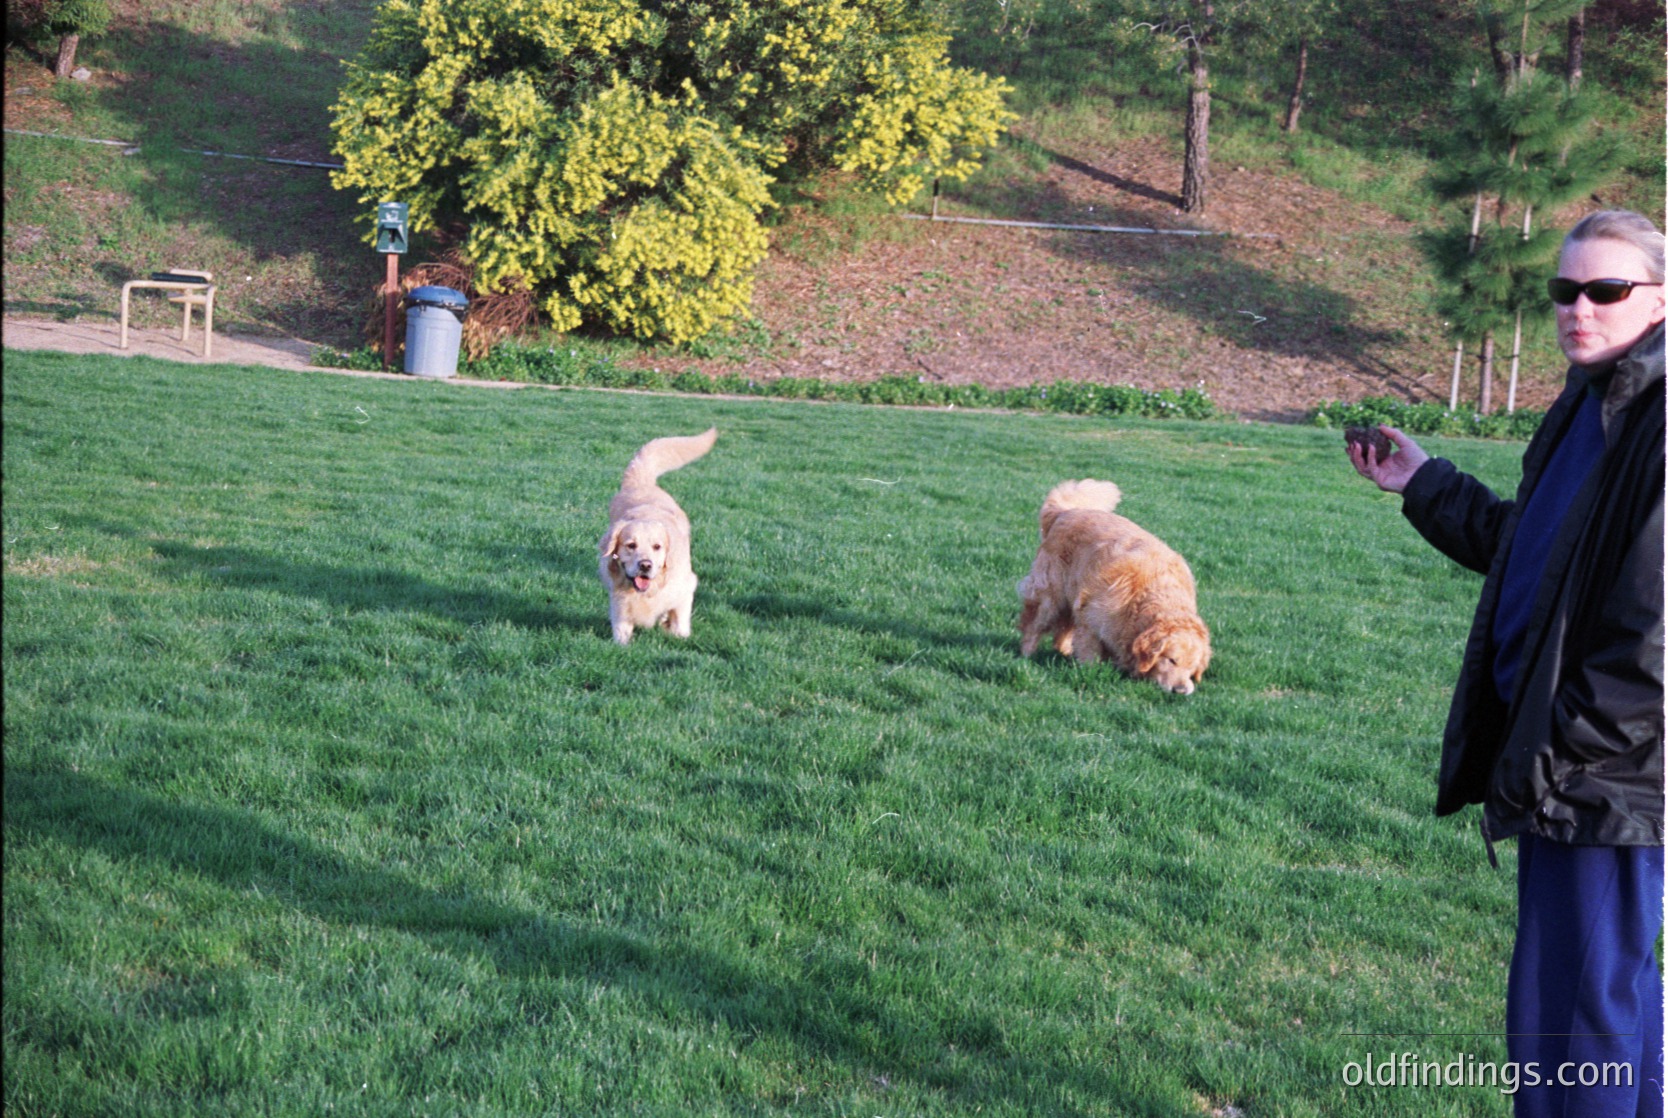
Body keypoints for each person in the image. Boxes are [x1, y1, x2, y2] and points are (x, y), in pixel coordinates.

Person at [1349, 209, 1665, 1118]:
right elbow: (1535, 554)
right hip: (1570, 764)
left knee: (1568, 1019)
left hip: (1605, 775)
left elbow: (1653, 641)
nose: (1580, 309)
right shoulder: (1591, 402)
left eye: (1607, 290)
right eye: (1564, 290)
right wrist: (1425, 483)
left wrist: (1563, 755)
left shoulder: (1657, 424)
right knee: (1598, 1001)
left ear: (1659, 299)